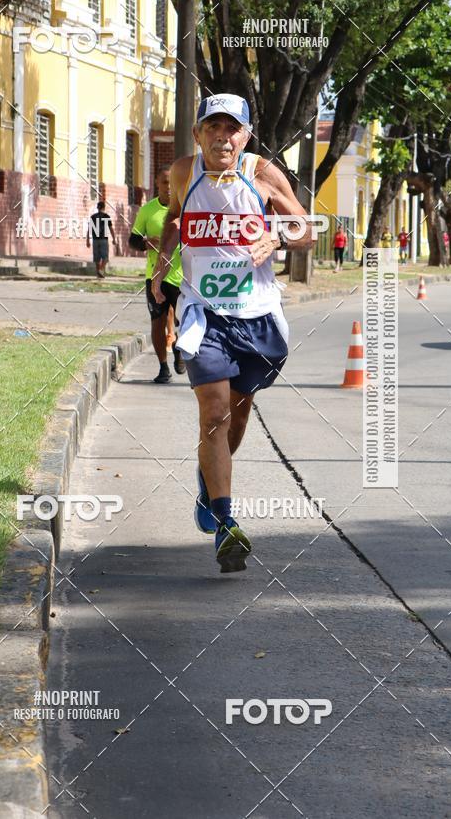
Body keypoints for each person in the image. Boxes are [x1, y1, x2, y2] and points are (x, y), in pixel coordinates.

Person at [152, 93, 311, 573]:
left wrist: (278, 235)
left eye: (232, 128)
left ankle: (208, 482)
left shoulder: (261, 173)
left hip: (257, 314)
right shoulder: (184, 172)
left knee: (238, 416)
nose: (222, 137)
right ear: (198, 133)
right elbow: (175, 218)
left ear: (245, 135)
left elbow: (306, 228)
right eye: (213, 127)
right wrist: (163, 264)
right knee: (214, 412)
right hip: (203, 313)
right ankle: (226, 523)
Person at [129, 166, 186, 383]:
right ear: (157, 184)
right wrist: (146, 243)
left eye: (172, 183)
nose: (169, 187)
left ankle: (179, 348)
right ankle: (163, 367)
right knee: (157, 321)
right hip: (155, 277)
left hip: (182, 276)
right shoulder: (147, 210)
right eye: (164, 182)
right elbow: (133, 240)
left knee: (185, 320)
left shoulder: (187, 209)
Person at [86, 201, 116, 278]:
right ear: (104, 208)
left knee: (97, 258)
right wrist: (114, 238)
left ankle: (99, 274)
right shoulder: (107, 216)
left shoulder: (93, 217)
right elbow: (111, 229)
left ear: (97, 208)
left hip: (95, 240)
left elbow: (89, 229)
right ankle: (101, 270)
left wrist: (87, 240)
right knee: (105, 257)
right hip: (103, 240)